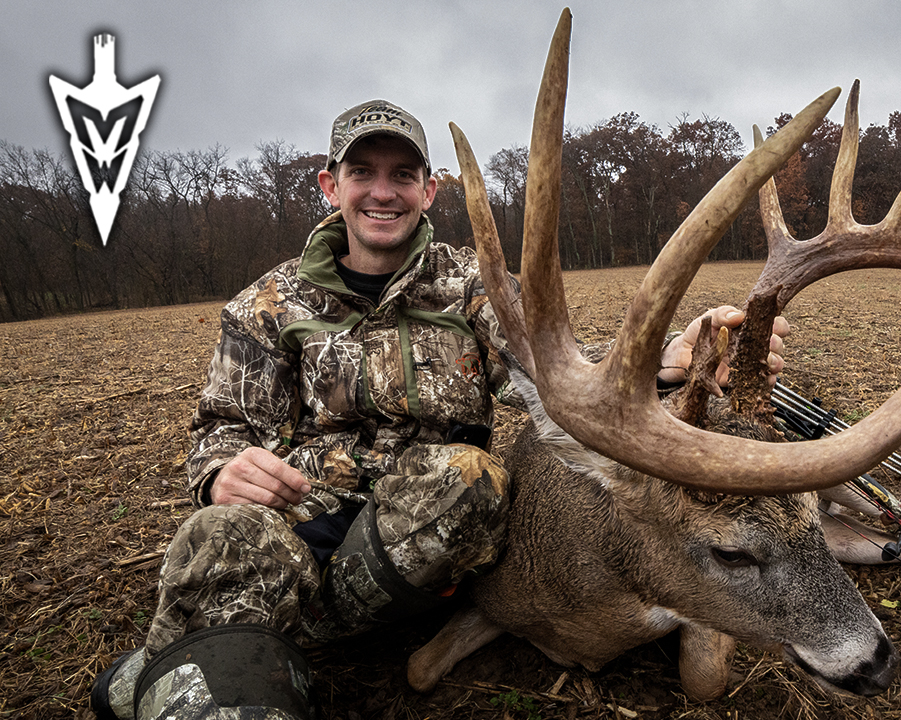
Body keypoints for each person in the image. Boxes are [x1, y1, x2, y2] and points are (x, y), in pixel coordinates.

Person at [91, 99, 788, 720]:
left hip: (424, 536)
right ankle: (233, 659)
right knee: (221, 534)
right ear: (332, 186)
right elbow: (221, 428)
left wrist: (676, 355)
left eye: (403, 175)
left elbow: (560, 375)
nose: (383, 191)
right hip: (302, 524)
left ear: (429, 190)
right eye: (363, 172)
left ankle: (208, 658)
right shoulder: (265, 307)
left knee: (469, 478)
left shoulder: (474, 287)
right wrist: (222, 475)